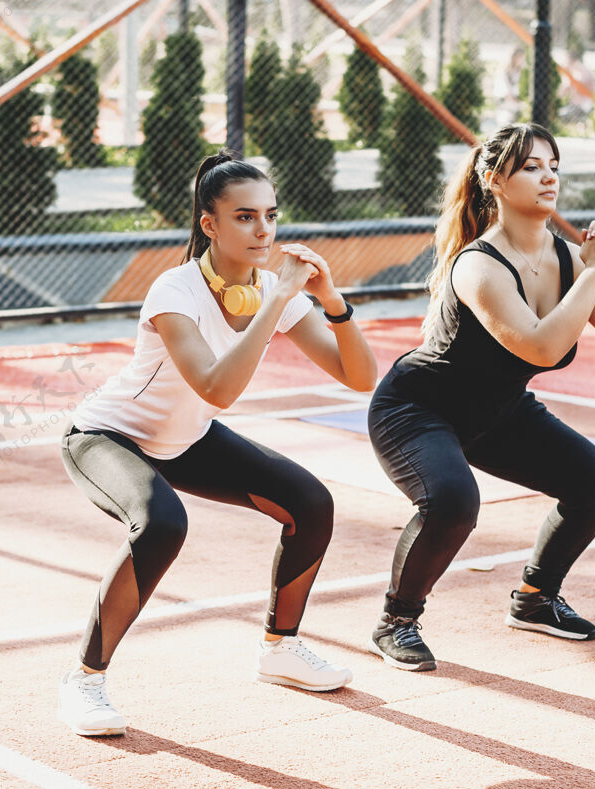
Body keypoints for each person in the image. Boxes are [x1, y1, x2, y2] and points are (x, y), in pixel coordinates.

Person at [56, 151, 377, 735]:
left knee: (310, 503)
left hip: (187, 439)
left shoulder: (265, 290)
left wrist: (332, 303)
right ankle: (84, 680)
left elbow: (360, 377)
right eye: (245, 217)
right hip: (108, 435)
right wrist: (279, 300)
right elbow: (216, 386)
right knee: (161, 524)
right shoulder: (174, 289)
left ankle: (280, 648)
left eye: (271, 216)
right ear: (210, 224)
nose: (264, 231)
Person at [366, 123, 595, 671]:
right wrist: (591, 271)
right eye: (531, 167)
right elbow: (542, 347)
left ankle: (535, 599)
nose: (548, 177)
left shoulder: (570, 259)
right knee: (452, 504)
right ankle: (396, 621)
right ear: (496, 181)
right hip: (417, 410)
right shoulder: (478, 264)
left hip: (496, 411)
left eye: (554, 166)